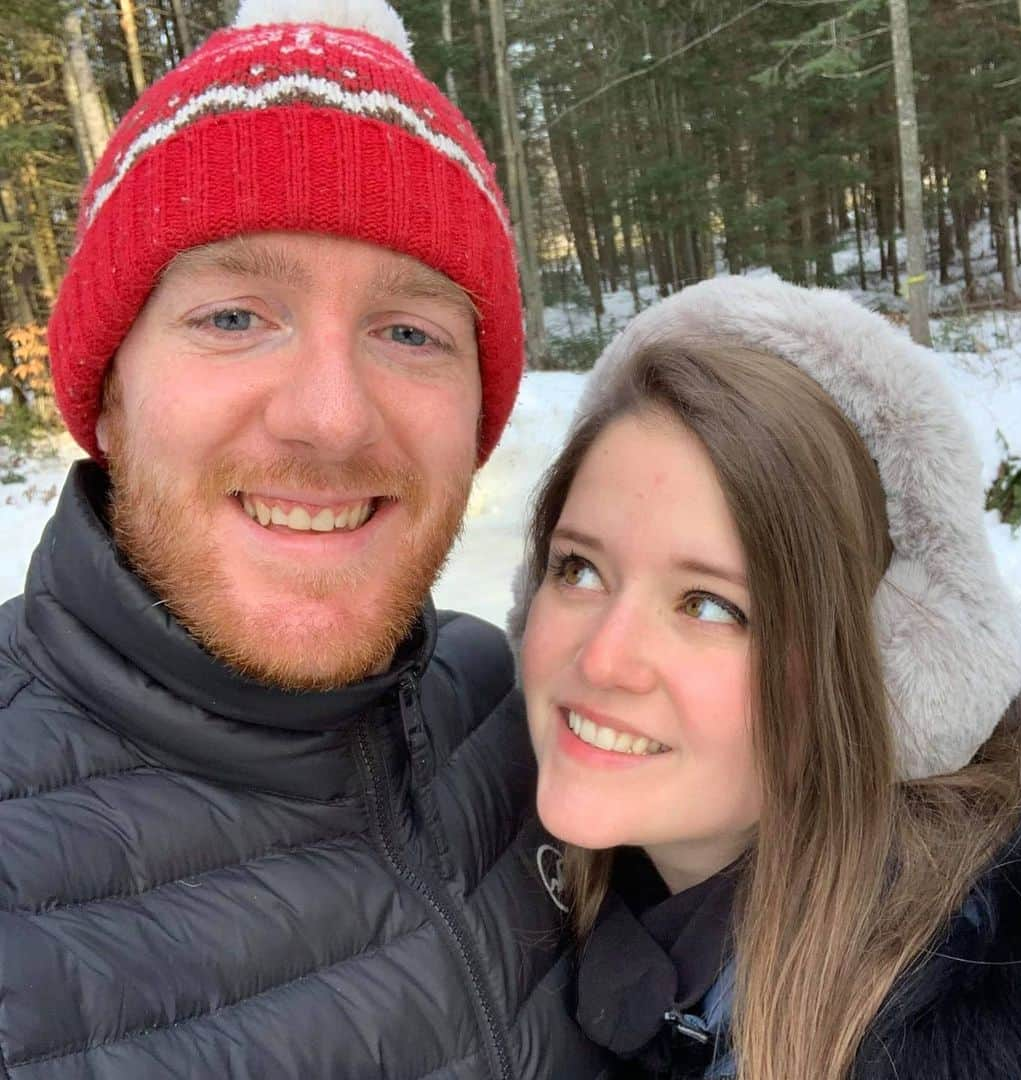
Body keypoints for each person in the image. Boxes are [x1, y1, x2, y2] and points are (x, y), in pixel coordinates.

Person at [0, 1, 612, 1076]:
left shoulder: (528, 716)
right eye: (235, 316)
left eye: (409, 331)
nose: (330, 418)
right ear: (106, 397)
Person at [509, 276, 1021, 1080]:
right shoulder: (540, 892)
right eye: (579, 568)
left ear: (873, 667)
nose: (601, 659)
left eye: (708, 605)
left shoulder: (994, 1015)